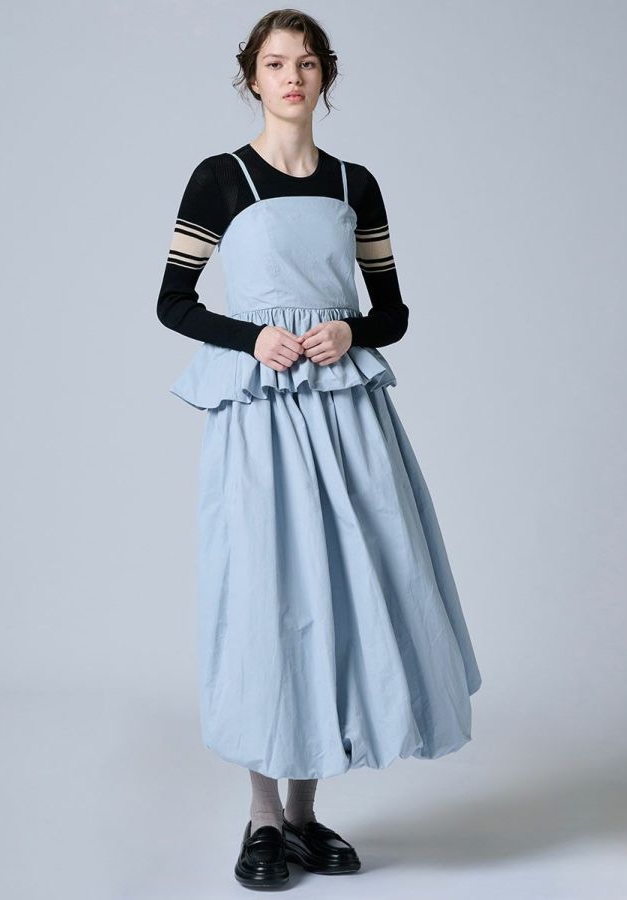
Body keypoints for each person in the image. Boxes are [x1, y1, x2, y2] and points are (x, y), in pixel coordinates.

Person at [157, 9, 482, 889]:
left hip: (344, 412)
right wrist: (251, 337)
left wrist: (349, 329)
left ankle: (302, 817)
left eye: (305, 63)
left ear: (324, 76)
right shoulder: (220, 178)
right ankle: (262, 819)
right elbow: (173, 300)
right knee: (269, 595)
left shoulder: (354, 183)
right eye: (275, 63)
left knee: (337, 595)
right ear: (251, 77)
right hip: (263, 414)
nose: (291, 77)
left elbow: (393, 312)